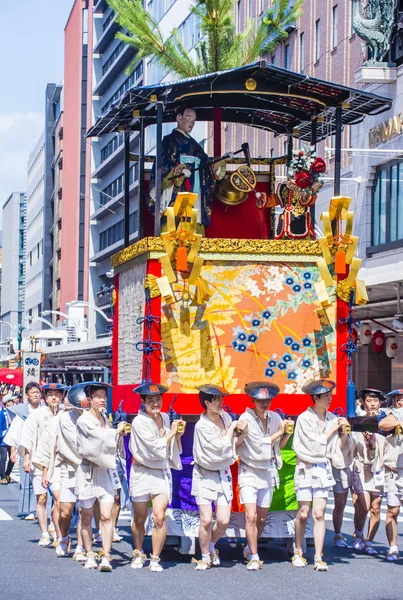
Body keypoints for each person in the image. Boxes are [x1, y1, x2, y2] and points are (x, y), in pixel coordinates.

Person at [292, 379, 348, 572]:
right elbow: (311, 445)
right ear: (315, 398)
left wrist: (343, 435)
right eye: (325, 396)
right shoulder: (304, 418)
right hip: (305, 468)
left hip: (322, 468)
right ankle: (298, 550)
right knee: (303, 512)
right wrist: (331, 431)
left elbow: (335, 450)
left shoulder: (333, 419)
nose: (329, 399)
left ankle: (318, 556)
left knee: (319, 513)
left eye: (330, 396)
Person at [238, 382, 294, 570]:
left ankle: (249, 546)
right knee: (251, 516)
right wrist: (280, 431)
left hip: (268, 472)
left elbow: (279, 446)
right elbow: (258, 444)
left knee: (262, 518)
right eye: (261, 401)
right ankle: (254, 555)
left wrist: (285, 434)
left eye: (267, 400)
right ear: (253, 400)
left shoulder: (275, 417)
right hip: (249, 471)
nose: (264, 404)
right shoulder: (246, 419)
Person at [129, 382, 184, 572]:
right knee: (140, 517)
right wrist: (171, 434)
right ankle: (138, 551)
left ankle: (155, 557)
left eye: (158, 399)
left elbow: (168, 447)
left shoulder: (166, 417)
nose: (155, 403)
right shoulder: (138, 422)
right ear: (143, 402)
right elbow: (153, 446)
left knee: (159, 516)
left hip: (160, 472)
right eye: (150, 400)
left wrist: (177, 436)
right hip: (142, 471)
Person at [191, 384, 246, 571]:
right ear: (206, 403)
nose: (220, 403)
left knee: (223, 520)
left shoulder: (226, 417)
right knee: (206, 519)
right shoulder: (202, 425)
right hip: (204, 473)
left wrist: (241, 433)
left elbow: (231, 447)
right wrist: (230, 429)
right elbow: (220, 447)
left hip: (223, 473)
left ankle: (211, 544)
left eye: (221, 399)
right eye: (216, 400)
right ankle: (205, 555)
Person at [76, 382, 127, 572]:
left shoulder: (105, 417)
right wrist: (115, 431)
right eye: (97, 396)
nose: (102, 399)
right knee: (87, 516)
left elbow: (108, 440)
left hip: (105, 470)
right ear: (89, 399)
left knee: (106, 515)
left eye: (104, 396)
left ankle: (106, 555)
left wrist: (115, 432)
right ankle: (89, 553)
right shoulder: (84, 420)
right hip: (87, 471)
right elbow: (96, 439)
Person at [147, 106, 216, 227]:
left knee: (194, 219)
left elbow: (205, 163)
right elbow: (164, 164)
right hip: (179, 186)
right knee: (176, 222)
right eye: (189, 118)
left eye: (194, 120)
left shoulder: (195, 144)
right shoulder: (169, 141)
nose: (192, 123)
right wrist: (179, 170)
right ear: (179, 118)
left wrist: (216, 165)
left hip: (196, 184)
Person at [18, 383, 65, 546]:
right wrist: (26, 457)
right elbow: (27, 437)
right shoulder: (36, 415)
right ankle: (44, 532)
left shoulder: (65, 415)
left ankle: (55, 526)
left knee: (59, 498)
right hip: (39, 461)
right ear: (45, 397)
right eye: (50, 394)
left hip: (59, 463)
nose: (54, 397)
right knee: (42, 498)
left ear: (62, 396)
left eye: (57, 394)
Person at [350, 389, 385, 555]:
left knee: (376, 507)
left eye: (375, 400)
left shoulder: (385, 420)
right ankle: (358, 533)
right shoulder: (358, 419)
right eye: (369, 401)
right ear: (363, 403)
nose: (372, 404)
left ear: (380, 402)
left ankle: (369, 541)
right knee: (362, 505)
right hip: (361, 466)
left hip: (379, 467)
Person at [3, 382, 41, 518]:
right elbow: (15, 433)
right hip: (27, 451)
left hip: (42, 450)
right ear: (27, 395)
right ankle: (30, 509)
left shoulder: (45, 411)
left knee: (42, 481)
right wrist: (13, 452)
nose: (35, 395)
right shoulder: (21, 413)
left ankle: (41, 508)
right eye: (32, 392)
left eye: (37, 392)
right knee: (27, 482)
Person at [378, 388, 403, 561]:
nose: (401, 402)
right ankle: (392, 547)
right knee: (392, 510)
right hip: (394, 469)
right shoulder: (394, 414)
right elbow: (382, 425)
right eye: (399, 399)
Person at [0, 393, 17, 484]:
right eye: (11, 401)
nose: (13, 402)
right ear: (6, 403)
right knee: (3, 458)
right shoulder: (2, 414)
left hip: (12, 440)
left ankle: (7, 473)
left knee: (13, 458)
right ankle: (3, 476)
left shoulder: (13, 412)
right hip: (3, 440)